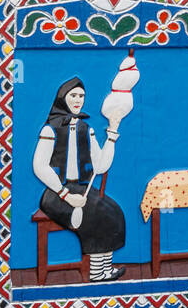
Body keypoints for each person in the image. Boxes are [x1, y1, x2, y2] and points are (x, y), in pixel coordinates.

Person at [33, 77, 127, 282]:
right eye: (73, 95)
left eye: (81, 96)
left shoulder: (87, 129)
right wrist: (65, 195)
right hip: (55, 192)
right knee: (94, 213)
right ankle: (97, 272)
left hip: (81, 189)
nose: (78, 100)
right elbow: (40, 167)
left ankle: (103, 269)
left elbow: (101, 166)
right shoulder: (50, 130)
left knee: (112, 210)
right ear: (63, 98)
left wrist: (112, 133)